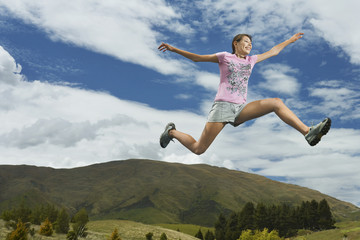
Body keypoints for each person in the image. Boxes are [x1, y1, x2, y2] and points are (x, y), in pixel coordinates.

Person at [158, 33, 331, 155]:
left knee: (276, 103)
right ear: (236, 43)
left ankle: (307, 132)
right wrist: (174, 49)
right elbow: (197, 58)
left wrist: (290, 40)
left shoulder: (251, 60)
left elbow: (274, 51)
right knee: (198, 149)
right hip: (223, 107)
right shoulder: (224, 57)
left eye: (251, 43)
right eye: (246, 41)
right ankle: (172, 132)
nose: (250, 44)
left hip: (240, 108)